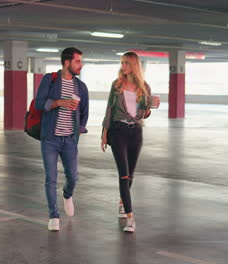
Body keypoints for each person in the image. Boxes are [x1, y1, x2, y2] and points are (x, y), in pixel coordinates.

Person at [100, 51, 160, 232]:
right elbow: (109, 110)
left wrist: (151, 106)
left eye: (126, 63)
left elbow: (144, 114)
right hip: (118, 132)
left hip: (136, 133)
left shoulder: (144, 87)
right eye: (122, 63)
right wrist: (104, 133)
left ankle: (122, 202)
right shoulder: (116, 85)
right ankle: (130, 218)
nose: (123, 67)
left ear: (134, 65)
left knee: (131, 175)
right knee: (123, 175)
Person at [35, 47, 89, 231]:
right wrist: (59, 102)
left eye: (81, 61)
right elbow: (39, 103)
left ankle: (67, 194)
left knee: (73, 177)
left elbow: (84, 112)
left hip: (70, 140)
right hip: (50, 138)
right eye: (78, 61)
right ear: (67, 62)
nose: (81, 65)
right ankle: (54, 215)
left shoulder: (81, 87)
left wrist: (79, 130)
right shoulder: (50, 80)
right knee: (51, 178)